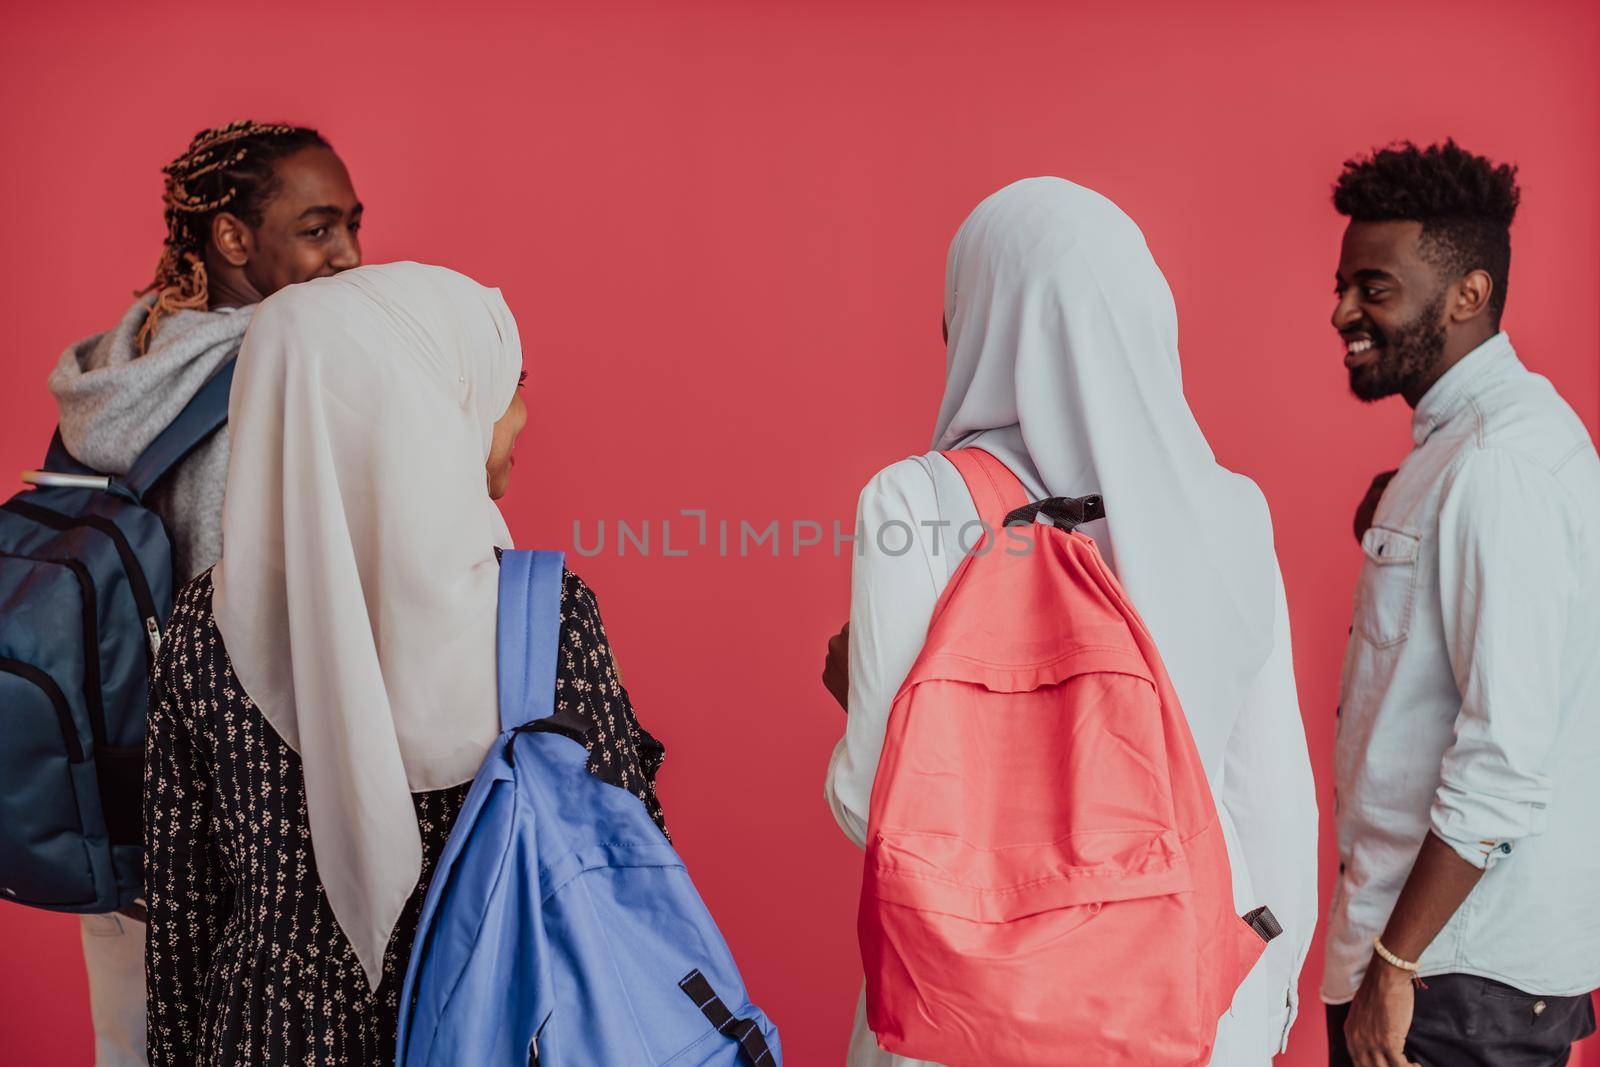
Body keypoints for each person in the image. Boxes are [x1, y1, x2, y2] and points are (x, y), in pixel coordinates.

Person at [821, 177, 1319, 1066]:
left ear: (982, 325)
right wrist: (1268, 999)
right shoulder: (1235, 512)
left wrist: (857, 695)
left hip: (978, 1018)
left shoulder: (917, 502)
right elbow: (1272, 798)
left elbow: (877, 813)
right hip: (1199, 1001)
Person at [141, 262, 667, 1065]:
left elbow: (182, 911)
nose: (519, 415)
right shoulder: (542, 618)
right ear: (420, 408)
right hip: (497, 1029)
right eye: (501, 385)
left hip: (267, 1038)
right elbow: (628, 864)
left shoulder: (208, 625)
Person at [47, 119, 363, 1067]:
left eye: (352, 223)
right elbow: (260, 634)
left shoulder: (120, 358)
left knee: (126, 1044)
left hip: (104, 794)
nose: (348, 254)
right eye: (317, 228)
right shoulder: (267, 373)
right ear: (232, 239)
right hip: (220, 827)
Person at [1324, 140, 1600, 1067]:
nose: (1342, 311)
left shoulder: (1496, 466)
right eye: (1344, 284)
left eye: (1375, 287)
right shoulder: (1466, 453)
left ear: (1468, 294)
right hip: (1442, 973)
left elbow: (1504, 754)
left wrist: (1395, 965)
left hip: (1449, 984)